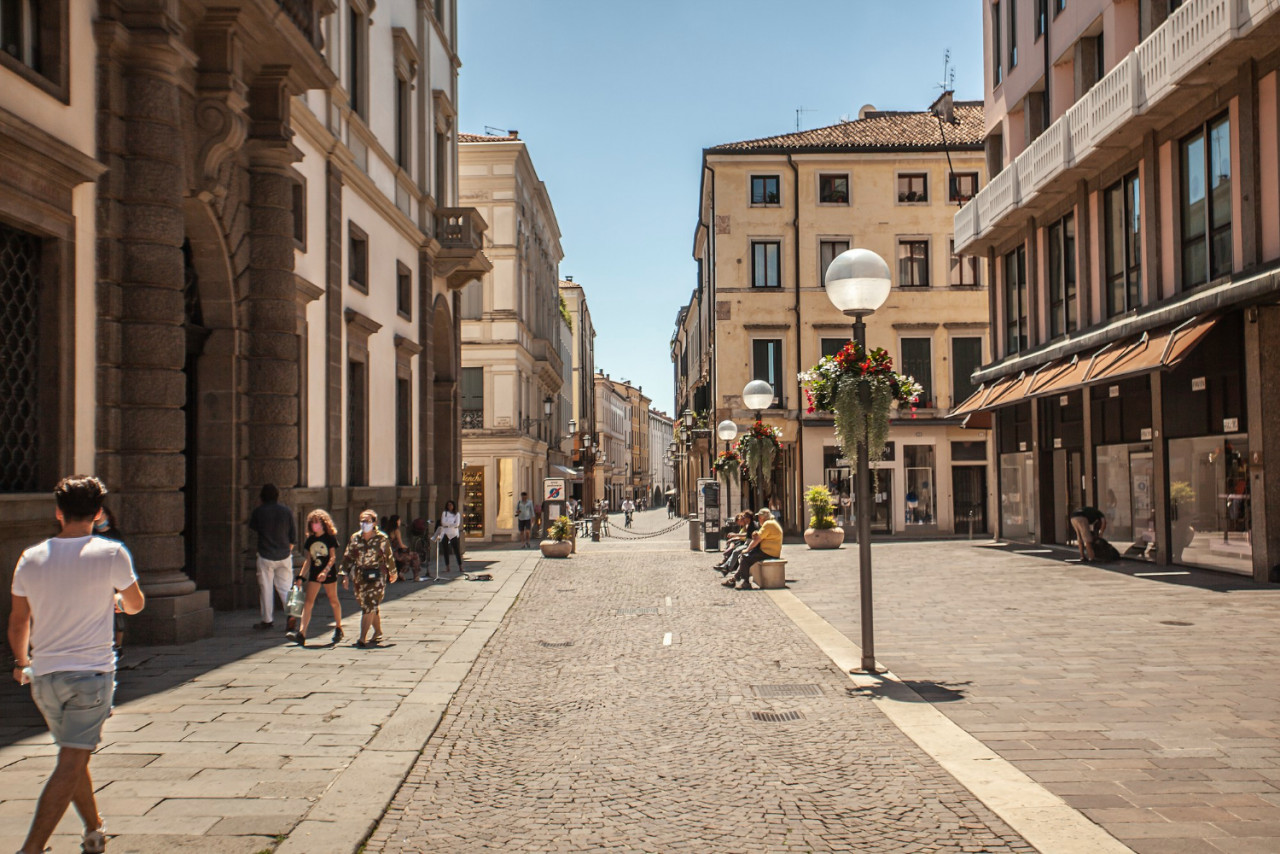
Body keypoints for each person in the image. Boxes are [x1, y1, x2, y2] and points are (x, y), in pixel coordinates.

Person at [8, 475, 146, 854]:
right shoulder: (110, 553)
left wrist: (21, 662)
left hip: (45, 676)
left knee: (73, 752)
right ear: (98, 513)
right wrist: (115, 601)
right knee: (71, 760)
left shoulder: (31, 557)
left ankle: (94, 830)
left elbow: (19, 620)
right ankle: (31, 849)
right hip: (91, 674)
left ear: (58, 512)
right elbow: (135, 604)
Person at [339, 509, 396, 648]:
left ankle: (362, 637)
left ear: (374, 522)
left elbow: (388, 556)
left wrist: (392, 572)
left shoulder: (381, 538)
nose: (364, 524)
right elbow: (348, 557)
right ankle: (378, 631)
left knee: (369, 605)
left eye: (367, 521)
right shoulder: (355, 538)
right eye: (362, 521)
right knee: (367, 604)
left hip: (377, 575)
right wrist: (344, 575)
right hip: (360, 576)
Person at [292, 509, 343, 647]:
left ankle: (338, 627)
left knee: (333, 600)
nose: (315, 525)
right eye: (313, 522)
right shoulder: (310, 540)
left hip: (328, 572)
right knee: (308, 602)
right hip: (315, 573)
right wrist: (301, 577)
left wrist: (325, 571)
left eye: (317, 522)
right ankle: (302, 632)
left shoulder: (329, 538)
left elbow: (333, 557)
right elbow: (308, 560)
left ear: (323, 523)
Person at [249, 484, 296, 631]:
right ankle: (292, 615)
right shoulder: (286, 511)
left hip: (265, 554)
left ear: (262, 497)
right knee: (287, 587)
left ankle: (267, 620)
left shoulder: (258, 512)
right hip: (284, 554)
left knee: (266, 588)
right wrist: (287, 549)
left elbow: (254, 528)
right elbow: (293, 536)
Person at [93, 508, 128, 654]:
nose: (101, 517)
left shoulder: (115, 534)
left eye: (103, 514)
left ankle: (118, 646)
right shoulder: (91, 535)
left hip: (114, 579)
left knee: (117, 614)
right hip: (98, 580)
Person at [724, 508, 783, 590]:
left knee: (744, 557)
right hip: (770, 551)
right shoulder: (771, 523)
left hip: (768, 552)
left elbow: (757, 539)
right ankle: (734, 579)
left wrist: (747, 549)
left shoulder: (768, 524)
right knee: (745, 556)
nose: (758, 519)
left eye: (759, 517)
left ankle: (745, 582)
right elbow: (759, 535)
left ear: (763, 517)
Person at [387, 515, 420, 583]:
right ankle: (415, 576)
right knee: (415, 556)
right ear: (396, 521)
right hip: (397, 553)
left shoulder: (388, 530)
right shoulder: (396, 531)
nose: (400, 522)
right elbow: (401, 544)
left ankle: (402, 573)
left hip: (391, 552)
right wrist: (408, 548)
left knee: (409, 557)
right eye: (399, 520)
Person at [437, 500, 463, 574]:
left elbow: (457, 524)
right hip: (445, 532)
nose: (450, 506)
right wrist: (451, 524)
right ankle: (447, 566)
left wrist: (448, 524)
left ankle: (460, 566)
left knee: (456, 550)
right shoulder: (444, 513)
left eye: (451, 505)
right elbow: (443, 522)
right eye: (448, 505)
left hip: (453, 533)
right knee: (445, 550)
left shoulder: (456, 514)